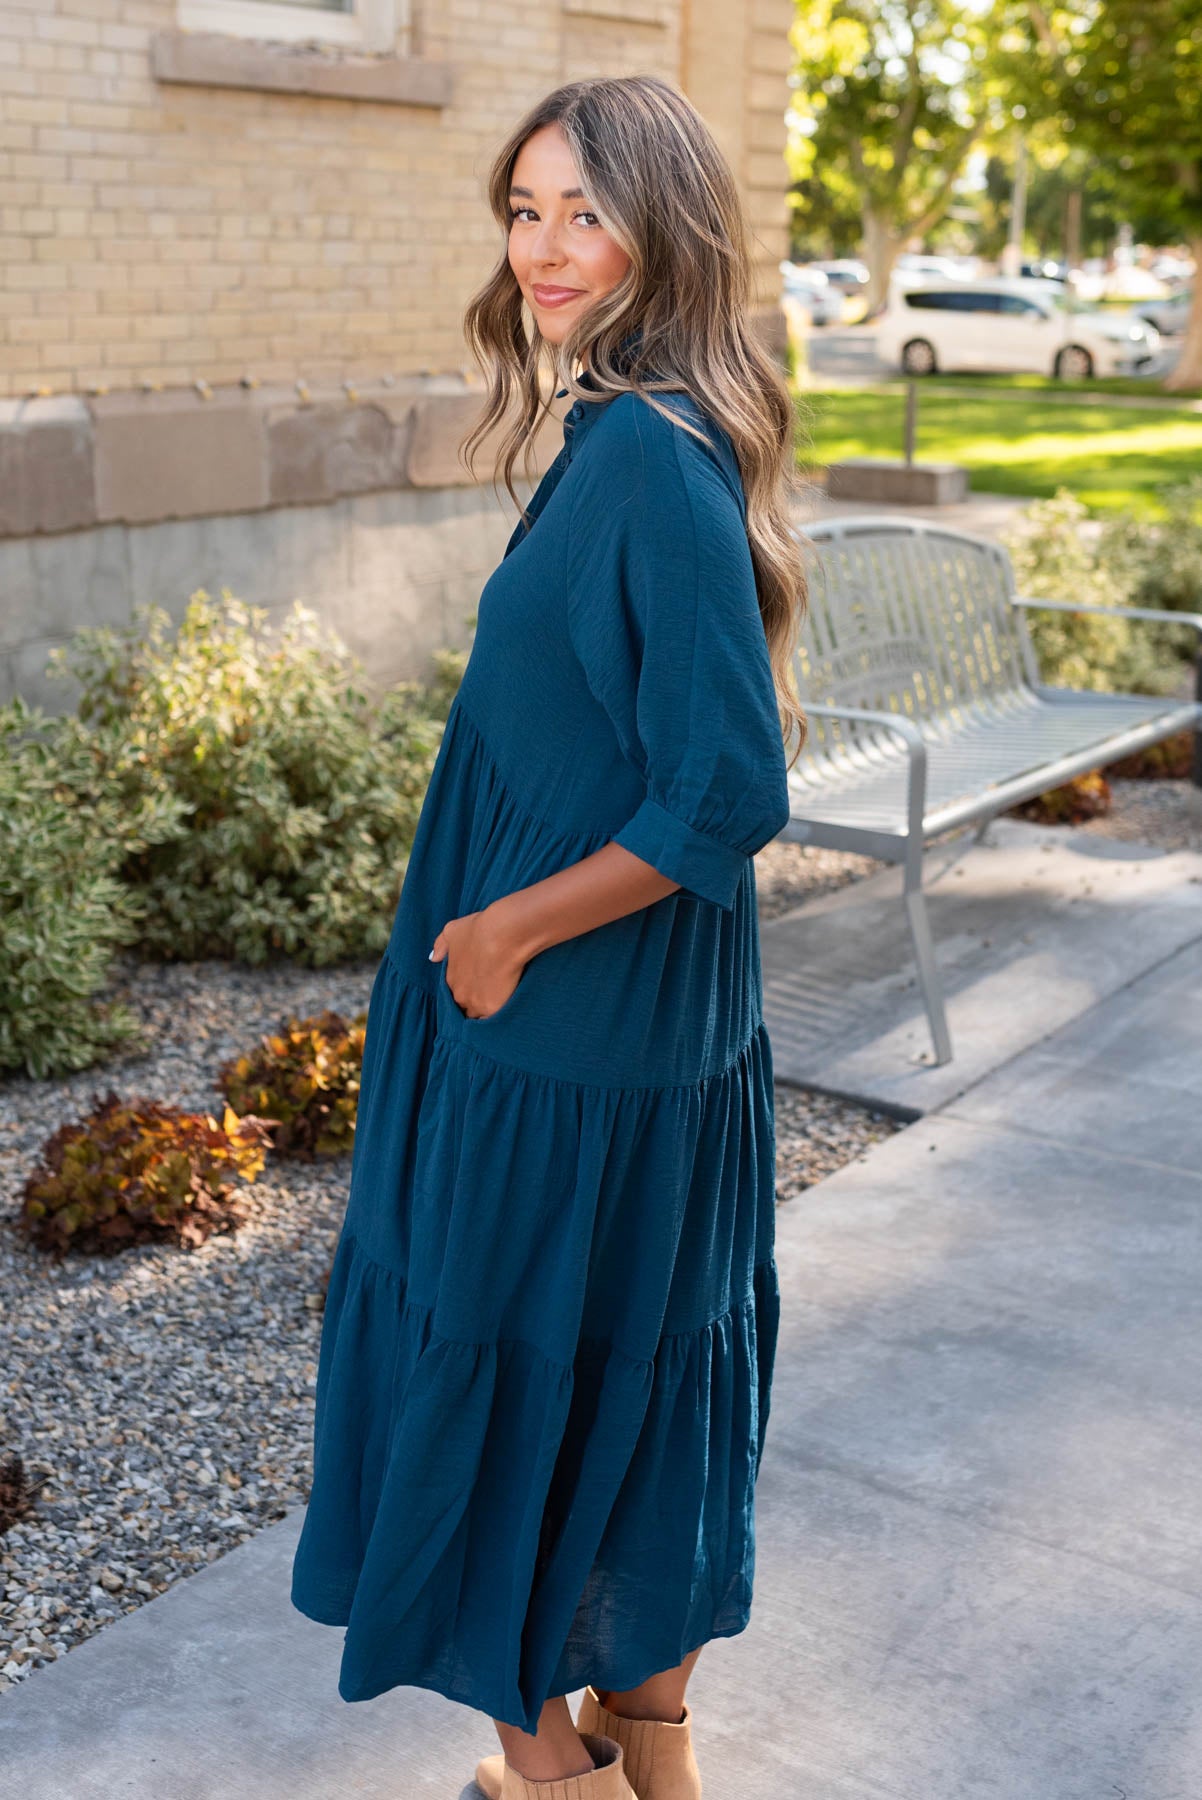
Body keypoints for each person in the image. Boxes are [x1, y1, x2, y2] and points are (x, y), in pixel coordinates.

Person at [290, 72, 808, 1800]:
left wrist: (501, 931)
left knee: (501, 1398)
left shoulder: (649, 460)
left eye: (583, 209)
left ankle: (550, 1780)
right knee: (626, 1398)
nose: (544, 248)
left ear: (667, 224)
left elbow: (724, 794)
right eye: (522, 211)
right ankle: (648, 1758)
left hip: (560, 1042)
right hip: (636, 1049)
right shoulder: (642, 435)